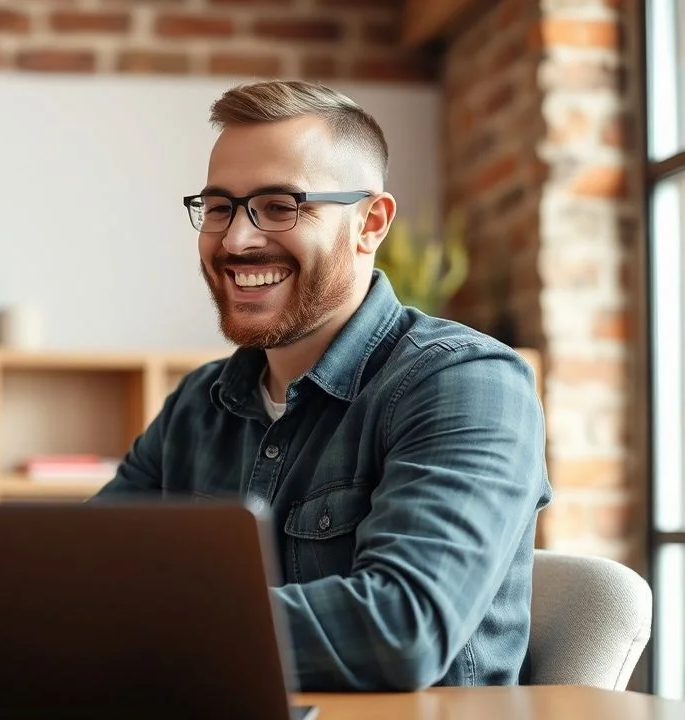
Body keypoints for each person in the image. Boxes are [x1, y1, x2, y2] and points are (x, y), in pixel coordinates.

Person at [90, 79, 552, 692]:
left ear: (370, 223)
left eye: (281, 205)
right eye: (220, 206)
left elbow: (400, 629)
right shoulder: (197, 406)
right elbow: (84, 578)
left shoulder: (465, 384)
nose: (235, 239)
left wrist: (136, 627)